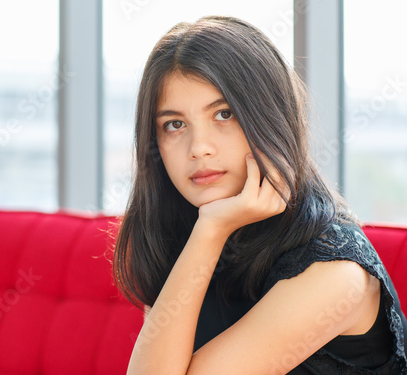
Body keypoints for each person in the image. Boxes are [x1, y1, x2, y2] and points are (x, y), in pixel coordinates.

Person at [112, 16, 407, 374]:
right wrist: (209, 232)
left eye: (224, 114)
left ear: (269, 117)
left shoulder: (332, 271)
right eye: (174, 124)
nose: (199, 148)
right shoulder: (184, 231)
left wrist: (209, 232)